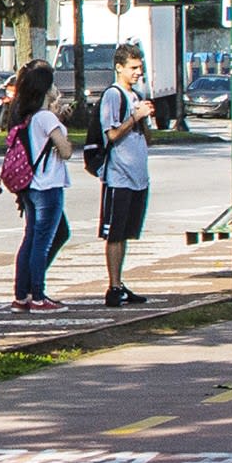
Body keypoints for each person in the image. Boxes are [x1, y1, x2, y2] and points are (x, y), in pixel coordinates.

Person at [0, 59, 71, 311]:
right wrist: (61, 127)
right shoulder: (45, 117)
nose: (55, 89)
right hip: (48, 186)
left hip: (31, 186)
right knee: (41, 242)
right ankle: (38, 296)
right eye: (52, 84)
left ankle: (22, 296)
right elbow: (66, 151)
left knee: (30, 239)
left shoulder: (28, 117)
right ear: (45, 89)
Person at [94, 43, 156, 306]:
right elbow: (112, 134)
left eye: (140, 67)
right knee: (115, 233)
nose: (138, 73)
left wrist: (145, 117)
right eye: (133, 68)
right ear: (119, 68)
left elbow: (147, 138)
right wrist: (134, 117)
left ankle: (119, 282)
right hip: (118, 175)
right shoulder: (113, 95)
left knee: (127, 232)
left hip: (138, 176)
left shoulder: (136, 95)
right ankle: (113, 286)